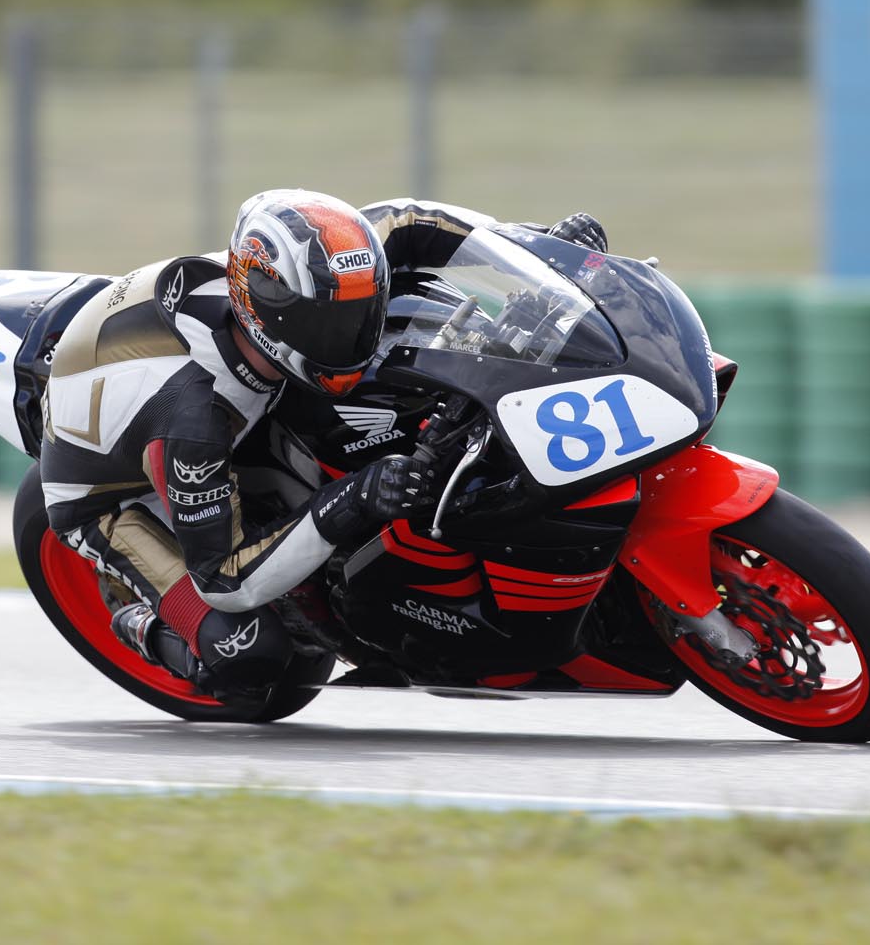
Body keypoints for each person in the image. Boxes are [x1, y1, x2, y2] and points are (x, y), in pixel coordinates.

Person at [39, 188, 607, 702]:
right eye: (335, 324)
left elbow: (417, 219)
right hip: (114, 497)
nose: (359, 333)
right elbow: (228, 577)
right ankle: (140, 621)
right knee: (253, 660)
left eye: (365, 308)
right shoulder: (196, 421)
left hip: (182, 388)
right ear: (271, 316)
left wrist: (542, 254)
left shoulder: (332, 263)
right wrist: (355, 499)